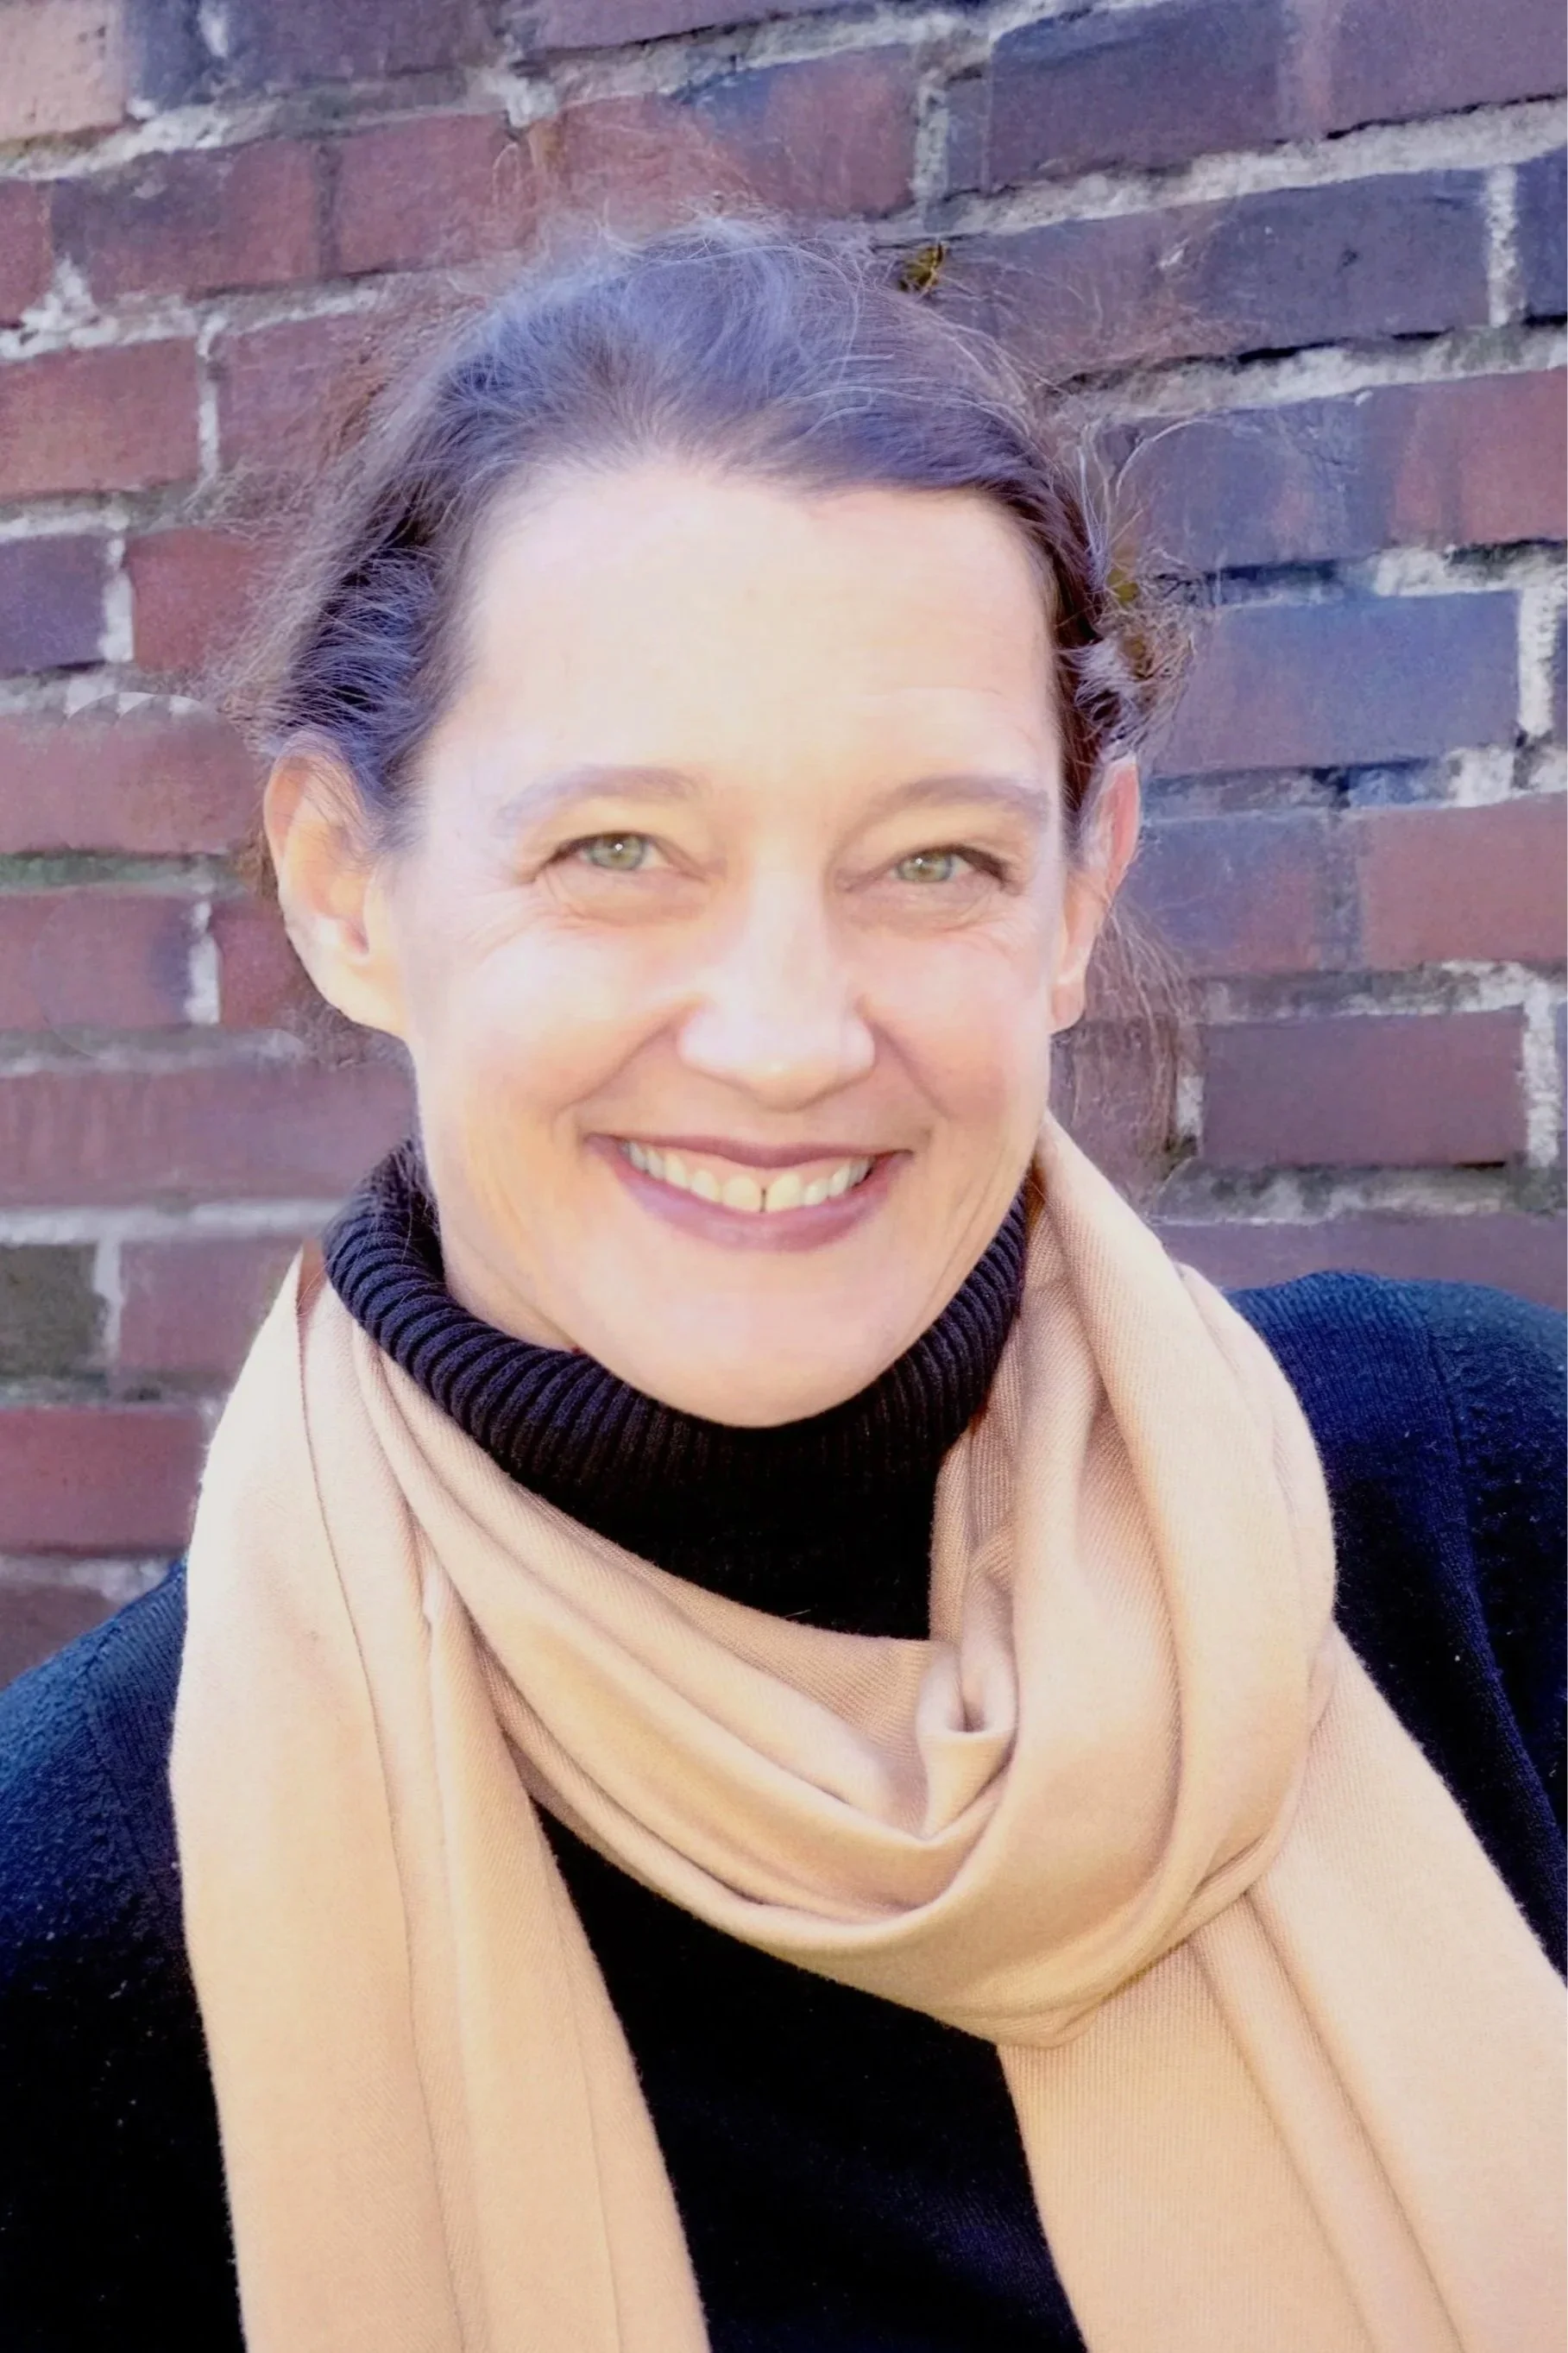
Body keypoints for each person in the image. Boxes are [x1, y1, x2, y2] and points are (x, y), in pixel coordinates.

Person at [0, 219, 1561, 2353]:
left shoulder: (1471, 1519)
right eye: (617, 853)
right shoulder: (80, 1906)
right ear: (346, 888)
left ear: (1080, 887)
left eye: (935, 858)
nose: (785, 1035)